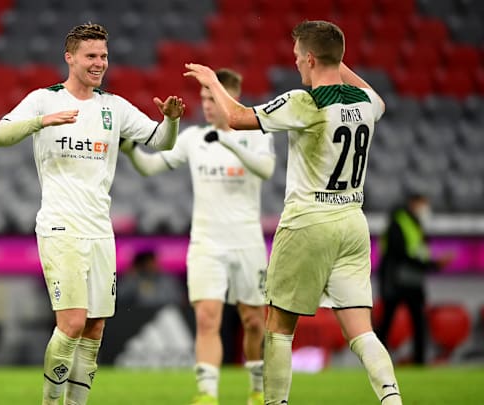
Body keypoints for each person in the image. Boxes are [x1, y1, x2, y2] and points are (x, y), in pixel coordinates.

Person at [185, 20, 402, 405]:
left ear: (312, 59)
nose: (296, 62)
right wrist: (337, 60)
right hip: (353, 222)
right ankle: (391, 398)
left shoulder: (305, 102)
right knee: (361, 331)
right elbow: (376, 99)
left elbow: (236, 118)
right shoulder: (365, 103)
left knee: (279, 327)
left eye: (299, 56)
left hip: (308, 221)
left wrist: (212, 82)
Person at [0, 22, 184, 405]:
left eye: (104, 56)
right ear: (70, 57)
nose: (99, 63)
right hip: (61, 226)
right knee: (73, 322)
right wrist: (40, 122)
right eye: (91, 55)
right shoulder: (44, 100)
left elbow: (161, 141)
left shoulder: (113, 106)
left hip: (100, 230)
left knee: (94, 328)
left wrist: (172, 120)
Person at [121, 68, 274, 405]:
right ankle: (207, 394)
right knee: (206, 318)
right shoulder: (193, 139)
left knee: (253, 321)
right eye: (203, 98)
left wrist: (228, 140)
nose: (206, 105)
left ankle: (257, 388)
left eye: (212, 98)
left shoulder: (256, 136)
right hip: (206, 242)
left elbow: (266, 170)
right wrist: (131, 151)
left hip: (247, 241)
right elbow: (150, 167)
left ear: (230, 98)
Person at [376, 193, 451, 365]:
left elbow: (417, 252)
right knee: (387, 322)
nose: (425, 208)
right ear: (413, 203)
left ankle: (419, 361)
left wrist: (433, 264)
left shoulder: (414, 224)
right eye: (422, 204)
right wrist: (432, 264)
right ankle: (377, 361)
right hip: (396, 281)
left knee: (418, 323)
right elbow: (401, 254)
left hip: (413, 281)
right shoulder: (398, 223)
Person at [116, 249, 185, 310]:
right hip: (137, 315)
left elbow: (178, 299)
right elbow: (119, 297)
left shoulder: (167, 279)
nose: (151, 265)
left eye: (152, 262)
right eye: (147, 263)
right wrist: (130, 277)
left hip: (165, 313)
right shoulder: (131, 279)